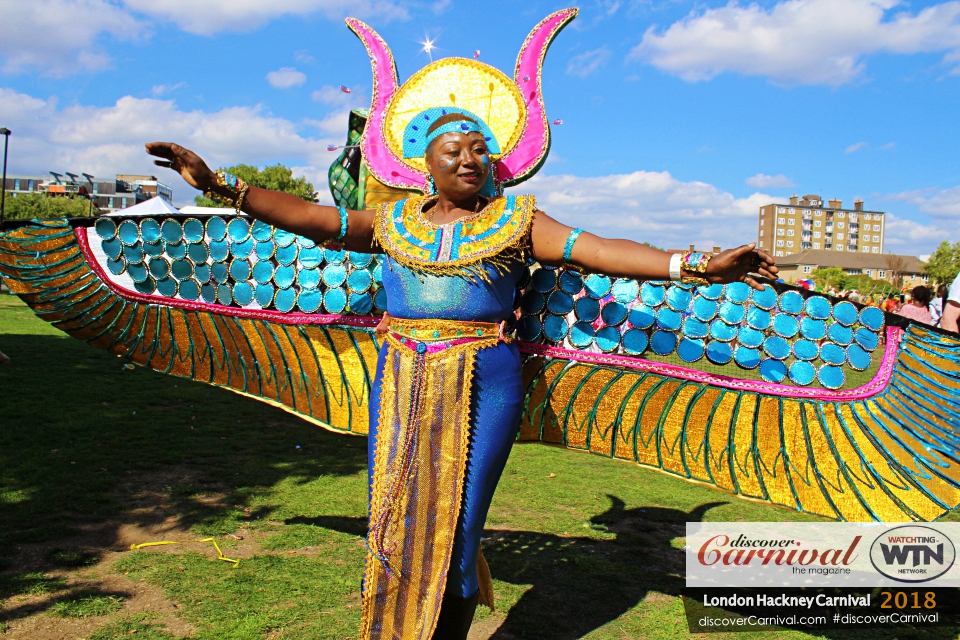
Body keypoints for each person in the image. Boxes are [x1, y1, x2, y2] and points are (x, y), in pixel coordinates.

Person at [145, 115, 776, 638]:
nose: (470, 158)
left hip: (486, 380)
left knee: (458, 523)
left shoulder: (520, 221)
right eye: (454, 150)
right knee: (393, 517)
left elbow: (601, 248)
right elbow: (310, 217)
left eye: (481, 149)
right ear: (428, 166)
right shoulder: (393, 223)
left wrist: (695, 263)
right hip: (400, 378)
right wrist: (220, 185)